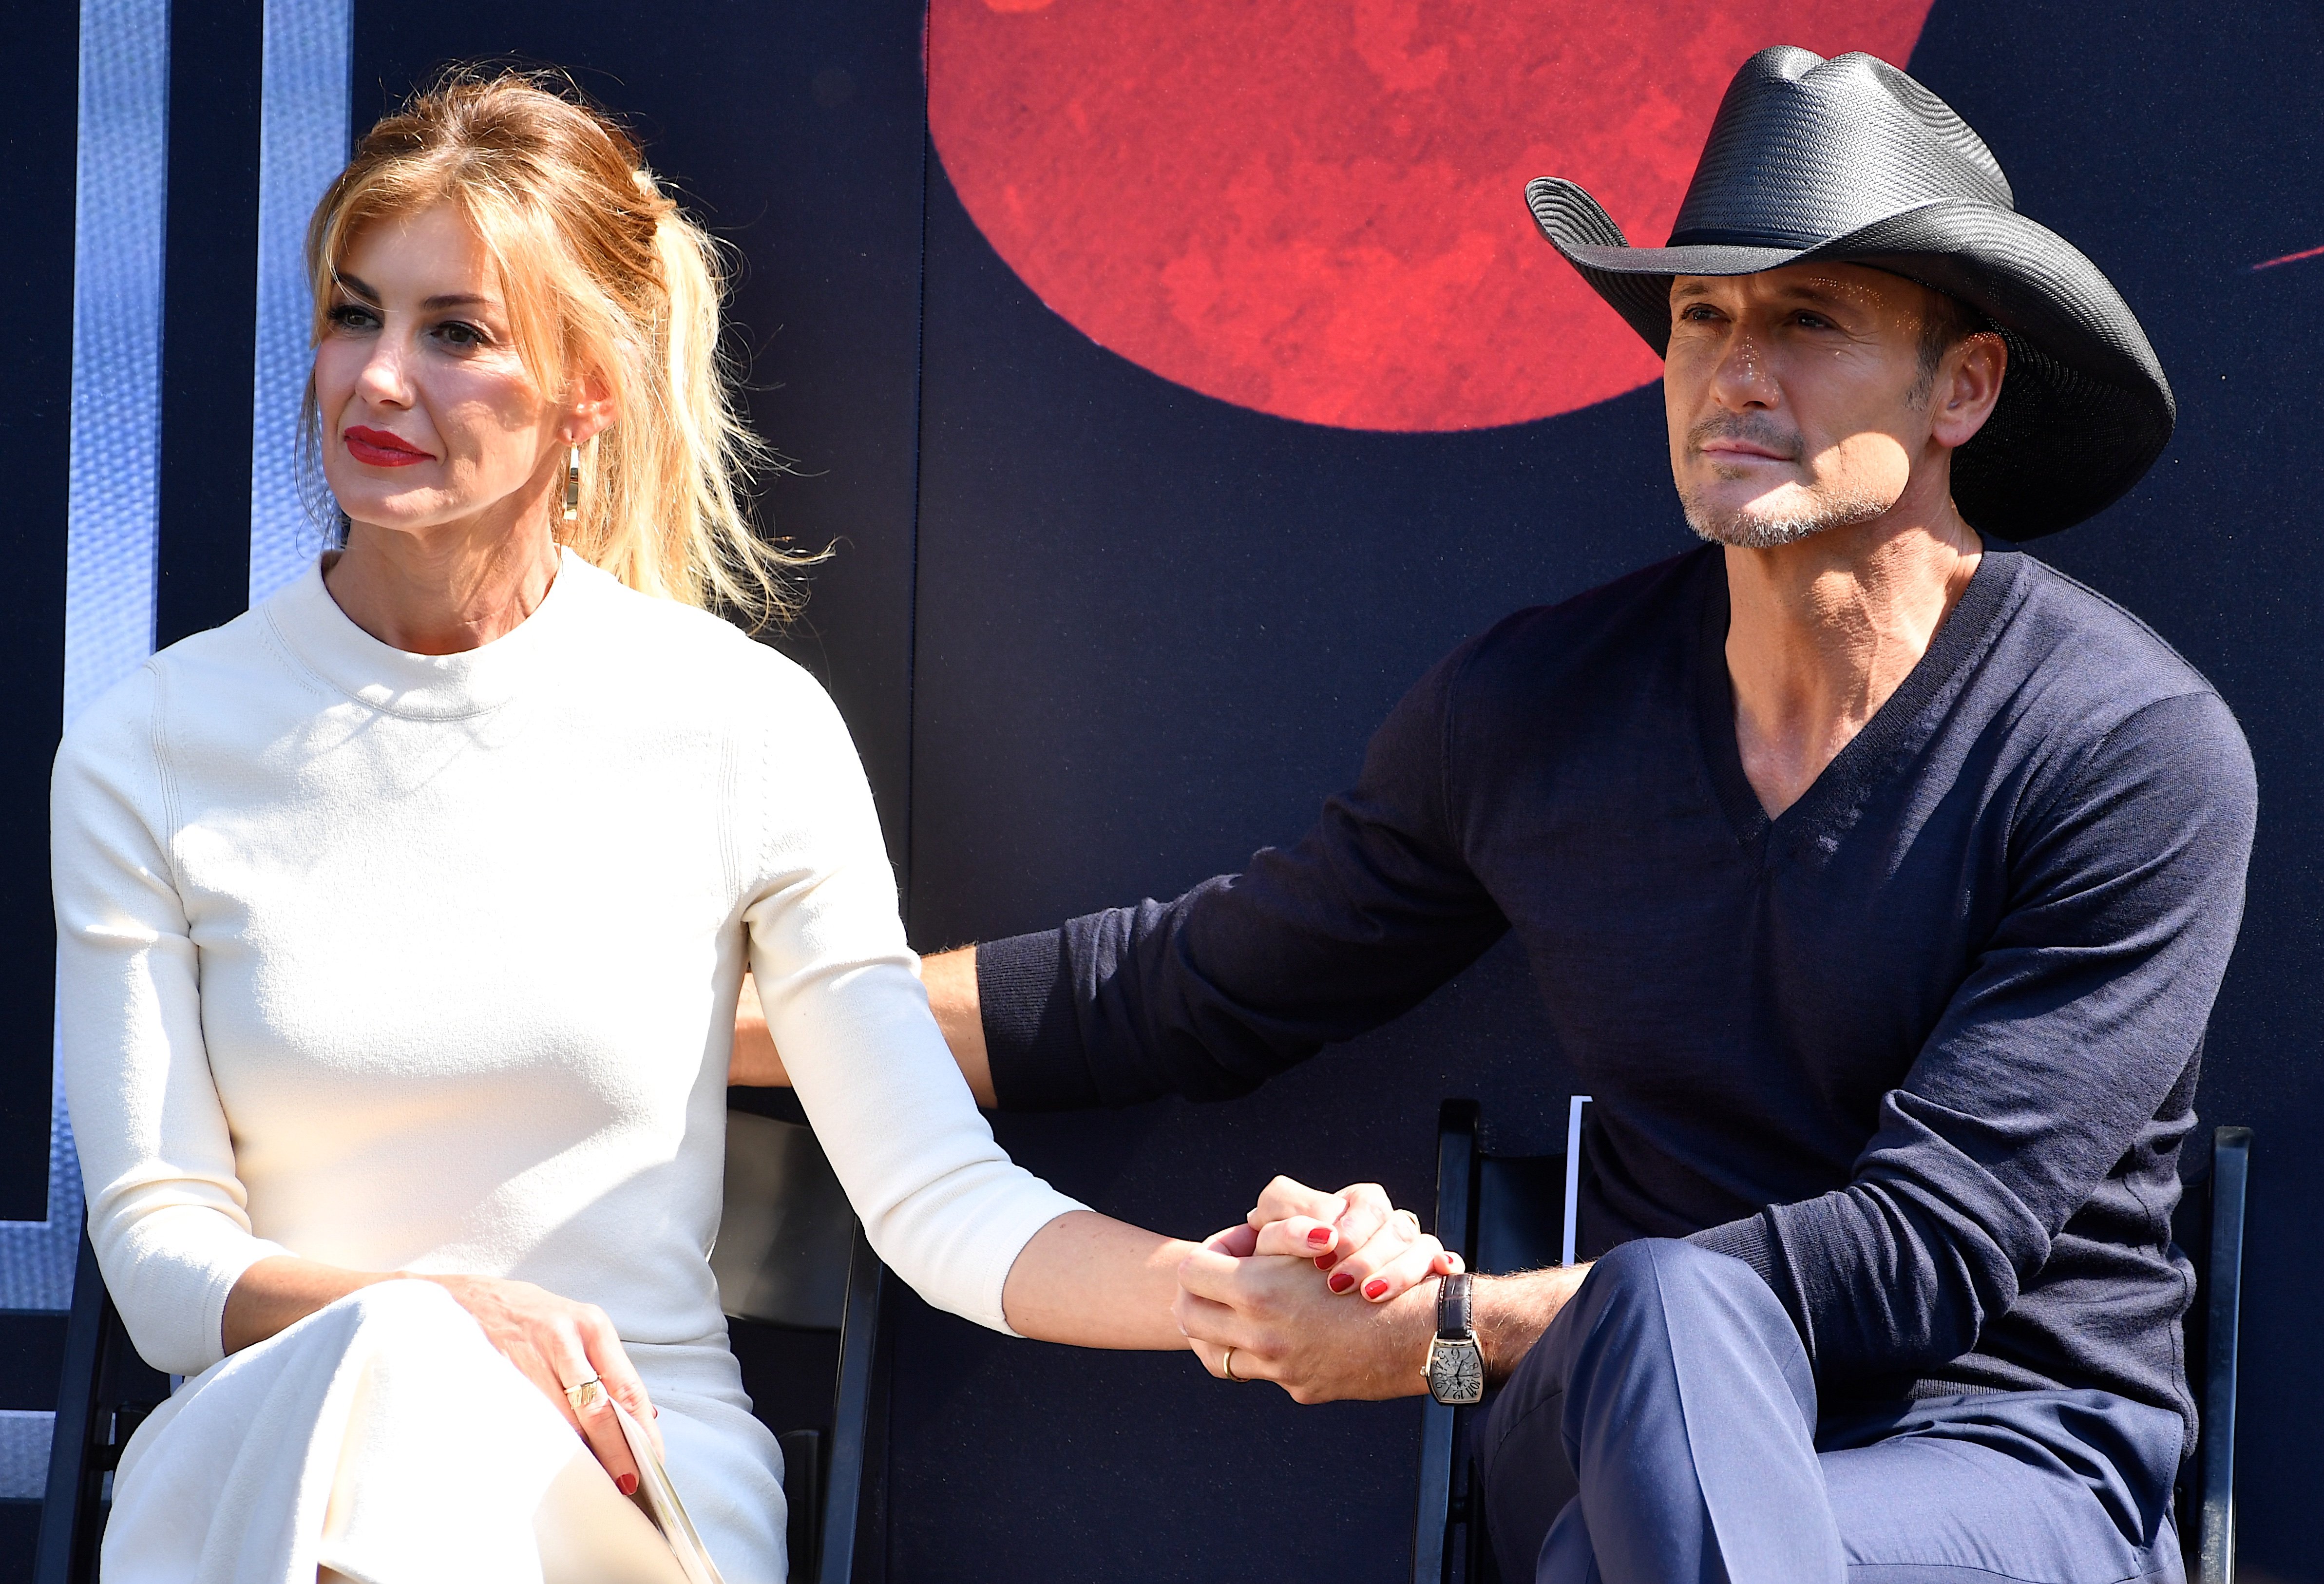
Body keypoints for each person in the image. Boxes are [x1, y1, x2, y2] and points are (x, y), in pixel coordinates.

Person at [742, 47, 2254, 1584]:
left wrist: (1441, 1333)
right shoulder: (1542, 709)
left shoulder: (2124, 749)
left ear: (1964, 386)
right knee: (1663, 1320)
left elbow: (1922, 1247)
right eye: (1701, 318)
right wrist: (713, 1015)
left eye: (1807, 320)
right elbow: (1185, 989)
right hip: (1600, 1419)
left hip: (1998, 1460)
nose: (1736, 369)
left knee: (1666, 1356)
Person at [51, 72, 1450, 1584]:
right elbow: (158, 1258)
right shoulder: (154, 744)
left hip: (624, 1482)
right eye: (351, 314)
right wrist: (434, 1312)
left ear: (589, 386)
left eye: (455, 331)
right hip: (261, 1466)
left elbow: (936, 1201)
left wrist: (1211, 1291)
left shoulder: (736, 726)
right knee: (383, 1374)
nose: (378, 378)